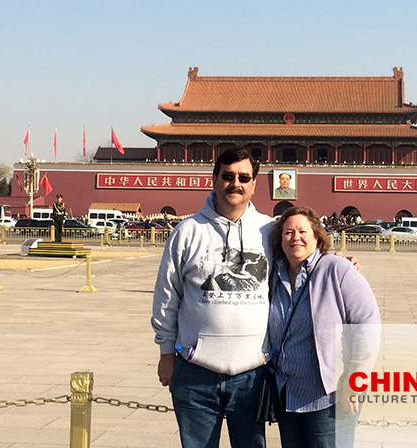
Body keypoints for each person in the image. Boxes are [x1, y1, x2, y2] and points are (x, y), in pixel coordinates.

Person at [152, 148, 275, 448]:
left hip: (253, 373)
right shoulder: (188, 231)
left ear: (254, 183)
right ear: (214, 179)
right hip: (196, 372)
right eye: (228, 176)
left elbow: (305, 262)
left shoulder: (270, 231)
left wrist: (341, 265)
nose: (236, 183)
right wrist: (167, 353)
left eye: (244, 177)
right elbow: (167, 296)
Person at [268, 205, 380, 448]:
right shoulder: (275, 275)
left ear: (317, 237)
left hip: (330, 396)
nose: (295, 237)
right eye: (288, 232)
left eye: (302, 231)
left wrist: (354, 380)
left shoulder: (337, 269)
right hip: (287, 393)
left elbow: (367, 325)